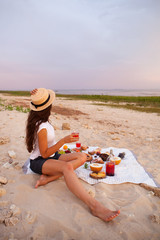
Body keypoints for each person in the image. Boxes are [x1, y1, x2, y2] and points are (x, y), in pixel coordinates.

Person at [25, 88, 120, 222]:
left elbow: (50, 151)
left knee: (81, 156)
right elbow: (45, 153)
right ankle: (95, 206)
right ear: (48, 106)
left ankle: (47, 179)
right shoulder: (41, 127)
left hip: (52, 156)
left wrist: (37, 95)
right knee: (67, 168)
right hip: (39, 161)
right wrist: (63, 141)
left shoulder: (43, 120)